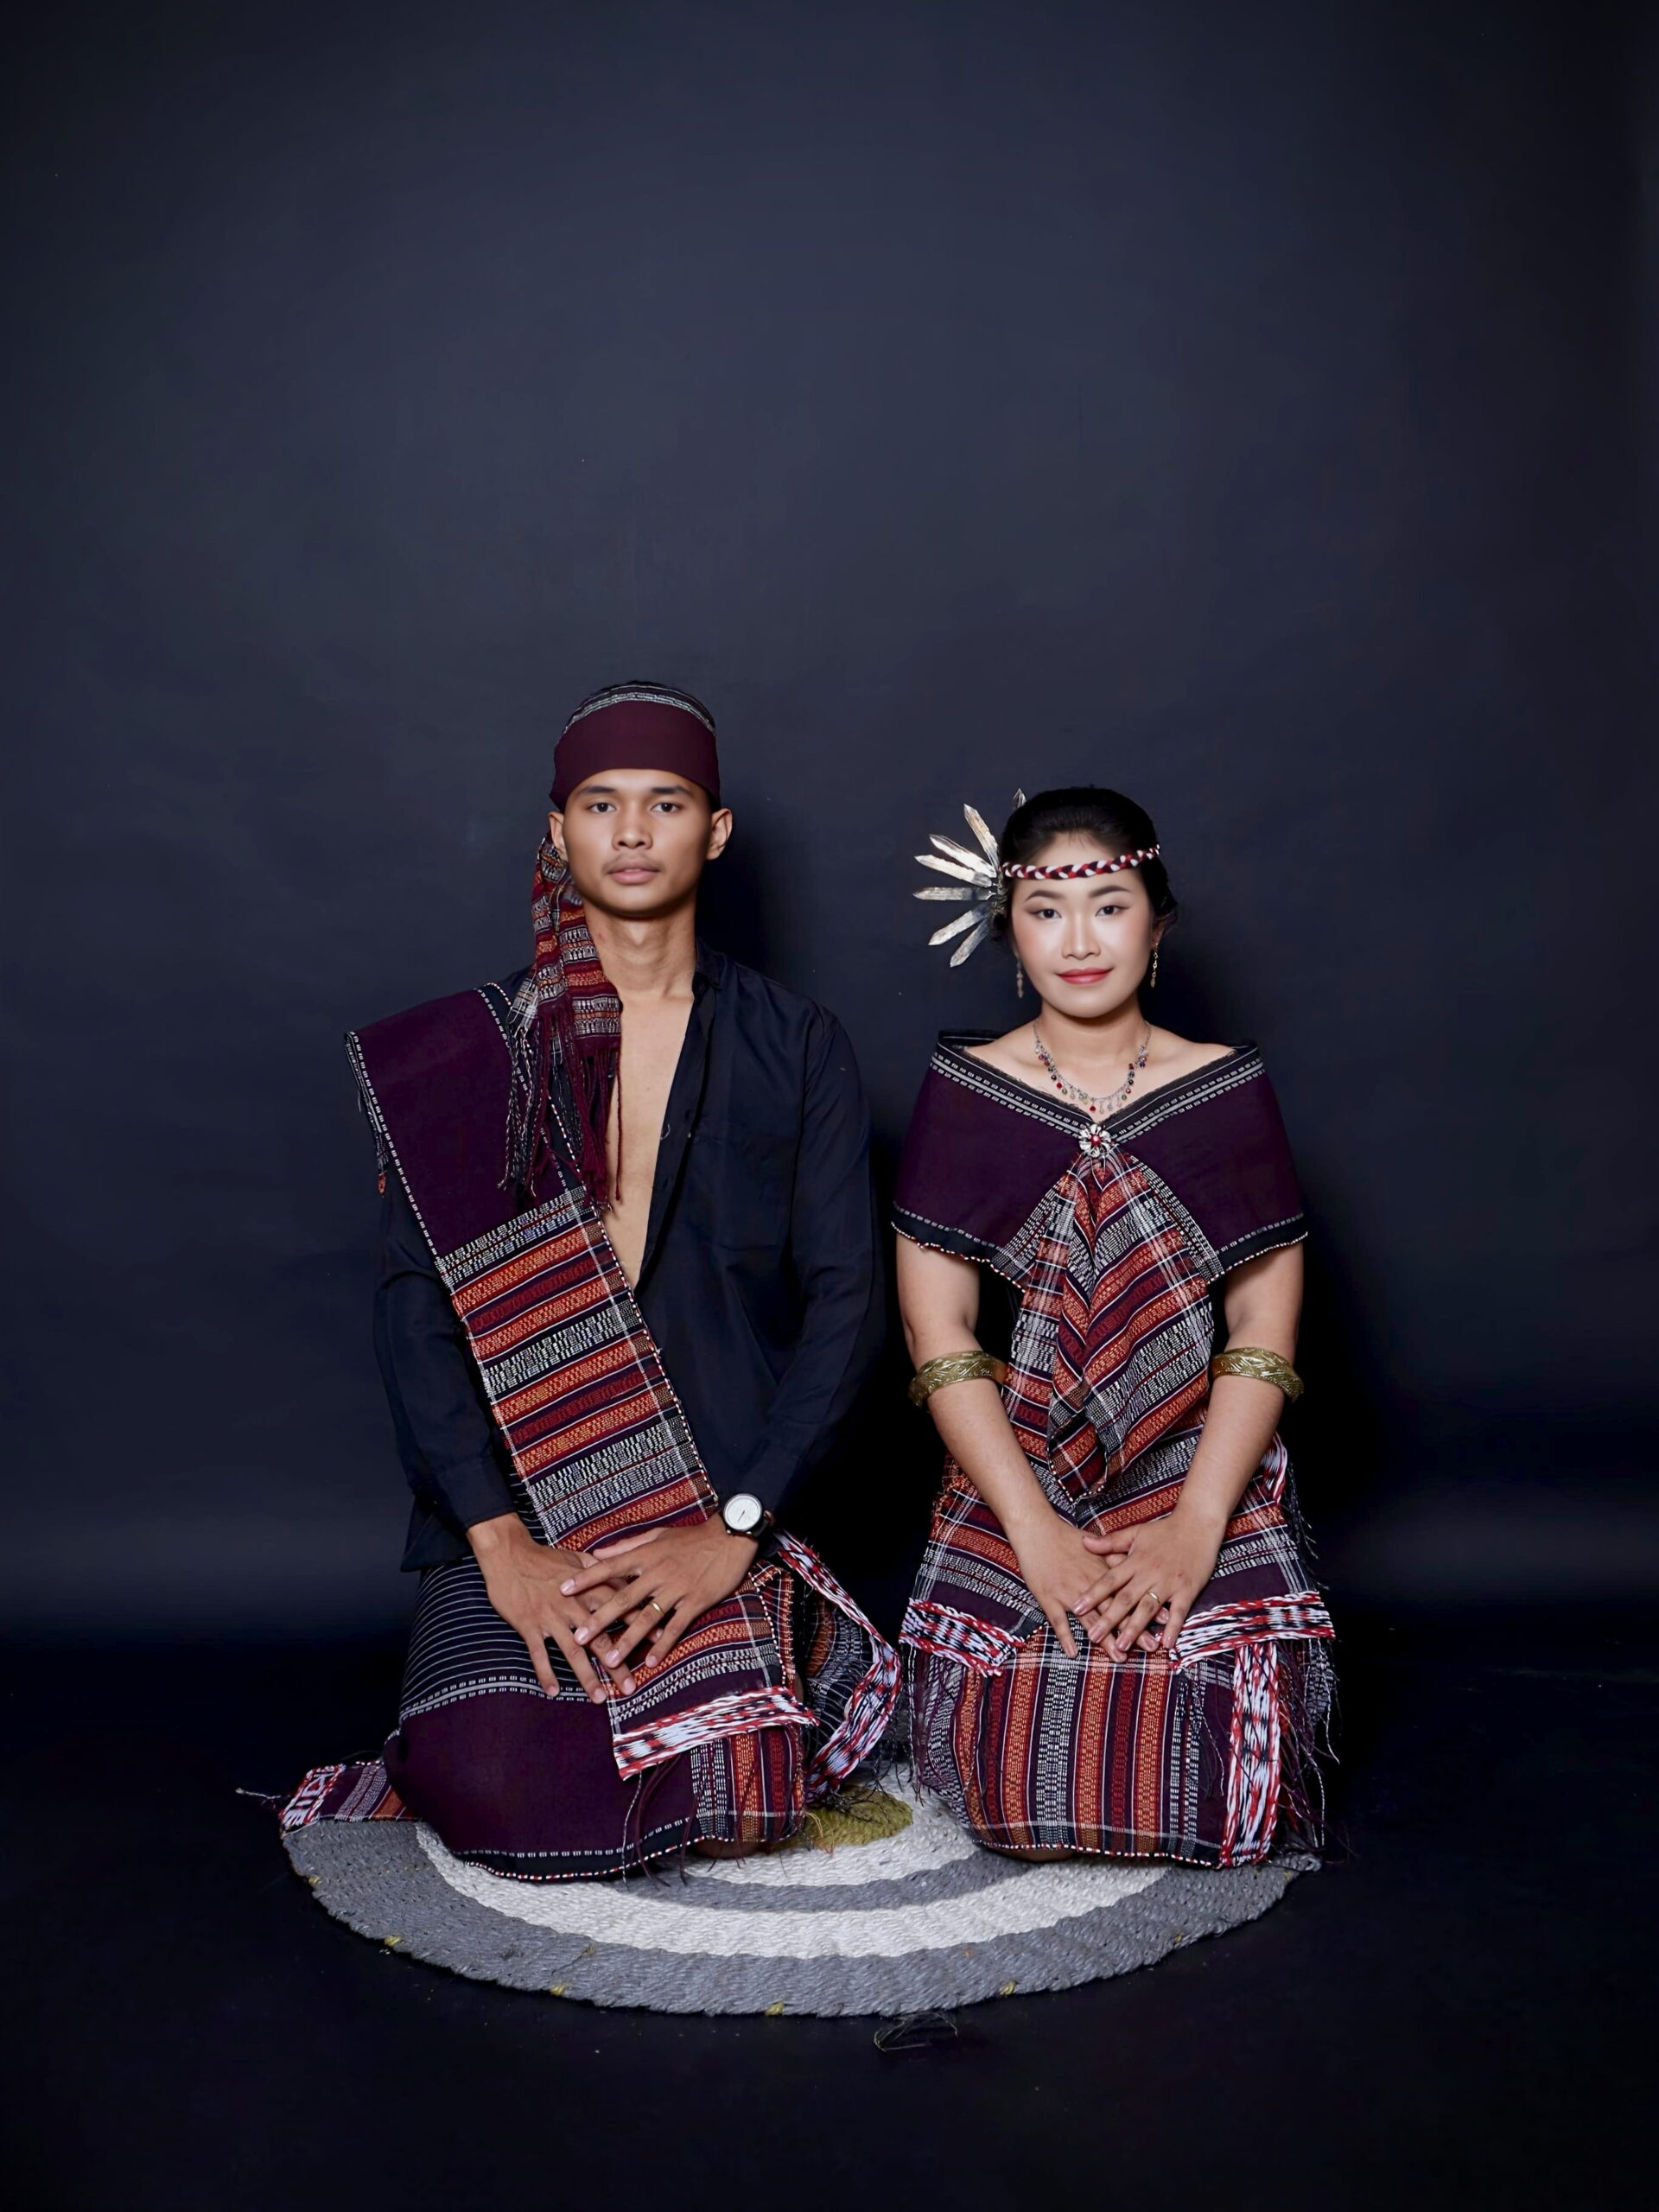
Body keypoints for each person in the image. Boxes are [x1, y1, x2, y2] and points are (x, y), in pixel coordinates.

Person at [283, 683, 895, 1877]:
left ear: (714, 831)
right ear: (557, 832)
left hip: (711, 1500)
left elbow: (849, 1307)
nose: (631, 831)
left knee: (742, 1788)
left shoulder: (796, 1044)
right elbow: (414, 1313)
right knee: (491, 1779)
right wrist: (499, 1542)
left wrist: (736, 1528)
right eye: (601, 804)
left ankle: (788, 1638)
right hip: (521, 1506)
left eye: (666, 802)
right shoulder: (468, 1062)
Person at [894, 786, 1332, 1865]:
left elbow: (1263, 1324)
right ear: (1009, 930)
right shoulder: (967, 1093)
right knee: (1020, 1788)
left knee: (1213, 1781)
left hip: (1195, 1462)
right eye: (1046, 911)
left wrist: (1196, 1524)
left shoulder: (1224, 1088)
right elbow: (939, 1333)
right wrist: (1034, 1532)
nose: (1080, 942)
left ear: (1157, 922)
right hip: (1022, 1469)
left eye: (1110, 906)